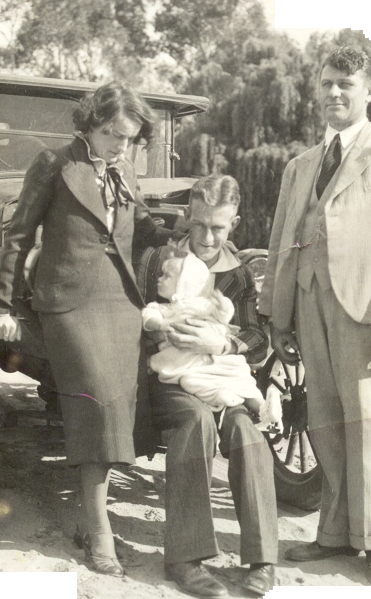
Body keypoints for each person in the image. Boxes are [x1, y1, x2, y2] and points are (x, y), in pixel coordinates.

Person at [0, 82, 174, 577]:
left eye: (130, 138)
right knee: (93, 404)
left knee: (117, 414)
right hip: (68, 303)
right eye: (113, 134)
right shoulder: (54, 163)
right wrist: (3, 305)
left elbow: (138, 229)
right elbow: (19, 234)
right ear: (89, 123)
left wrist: (188, 237)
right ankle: (99, 533)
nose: (121, 144)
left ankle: (91, 518)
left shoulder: (126, 169)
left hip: (120, 302)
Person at [258, 46, 371, 586]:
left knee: (370, 424)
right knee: (324, 419)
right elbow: (282, 240)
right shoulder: (300, 165)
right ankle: (332, 532)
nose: (334, 92)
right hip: (308, 302)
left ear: (369, 92)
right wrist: (277, 316)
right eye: (327, 83)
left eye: (345, 84)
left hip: (368, 310)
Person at [139, 175, 278, 597]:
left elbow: (257, 339)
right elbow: (137, 317)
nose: (206, 236)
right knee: (196, 421)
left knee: (246, 431)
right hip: (173, 381)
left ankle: (264, 559)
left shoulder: (237, 275)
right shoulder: (161, 260)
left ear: (233, 224)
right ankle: (186, 558)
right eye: (198, 224)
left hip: (221, 376)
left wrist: (222, 341)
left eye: (217, 227)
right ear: (187, 216)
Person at [142, 250, 271, 416]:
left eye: (166, 276)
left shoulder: (201, 305)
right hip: (188, 364)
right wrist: (161, 324)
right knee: (192, 381)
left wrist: (224, 306)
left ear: (183, 284)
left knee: (240, 374)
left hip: (216, 359)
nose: (159, 279)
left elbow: (222, 316)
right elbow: (147, 318)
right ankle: (221, 396)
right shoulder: (163, 310)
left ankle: (263, 408)